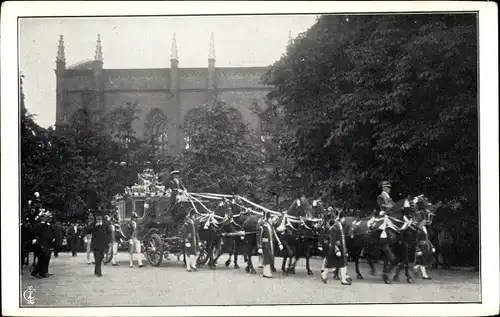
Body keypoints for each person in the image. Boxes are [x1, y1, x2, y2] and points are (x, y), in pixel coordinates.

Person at [321, 214, 352, 285]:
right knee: (340, 264)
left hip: (339, 249)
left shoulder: (337, 226)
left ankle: (324, 275)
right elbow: (332, 241)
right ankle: (343, 279)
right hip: (336, 250)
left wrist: (344, 249)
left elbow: (341, 239)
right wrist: (337, 250)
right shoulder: (334, 228)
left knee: (337, 264)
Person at [257, 211, 283, 278]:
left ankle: (266, 272)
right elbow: (259, 236)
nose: (273, 220)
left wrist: (279, 243)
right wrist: (259, 247)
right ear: (269, 218)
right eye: (272, 218)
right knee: (267, 258)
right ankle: (266, 273)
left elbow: (275, 235)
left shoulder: (271, 226)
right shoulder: (262, 225)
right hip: (265, 244)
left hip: (270, 244)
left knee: (269, 258)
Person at [31, 211, 55, 278]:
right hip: (41, 244)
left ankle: (43, 272)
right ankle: (38, 272)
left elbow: (50, 234)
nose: (49, 219)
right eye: (47, 217)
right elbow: (35, 233)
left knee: (46, 258)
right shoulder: (38, 225)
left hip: (47, 244)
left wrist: (52, 239)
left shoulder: (48, 225)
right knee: (42, 258)